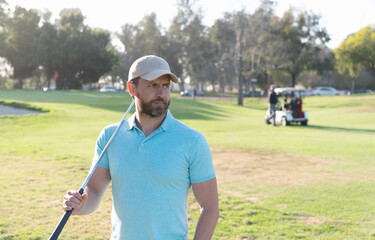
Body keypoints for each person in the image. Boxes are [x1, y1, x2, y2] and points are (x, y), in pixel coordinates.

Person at [63, 55, 219, 240]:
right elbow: (94, 190)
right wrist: (80, 205)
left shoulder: (193, 141)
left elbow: (209, 207)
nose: (161, 93)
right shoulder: (110, 136)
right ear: (132, 88)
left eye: (166, 86)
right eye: (153, 85)